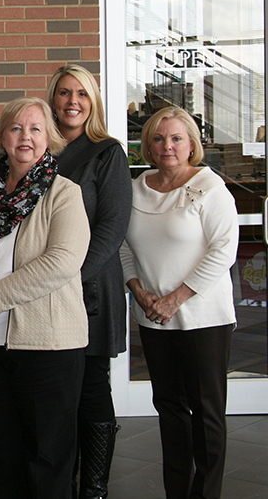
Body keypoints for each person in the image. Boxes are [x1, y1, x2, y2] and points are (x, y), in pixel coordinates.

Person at [0, 97, 90, 499]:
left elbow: (62, 262)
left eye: (35, 129)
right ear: (1, 138)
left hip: (46, 348)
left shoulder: (64, 194)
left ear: (50, 139)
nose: (24, 137)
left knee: (48, 461)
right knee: (1, 457)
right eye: (15, 128)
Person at [121, 106, 238, 499]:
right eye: (157, 138)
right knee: (170, 411)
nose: (166, 146)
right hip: (153, 317)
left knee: (206, 414)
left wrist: (176, 298)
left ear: (192, 145)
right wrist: (138, 291)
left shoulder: (210, 187)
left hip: (204, 318)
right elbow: (123, 247)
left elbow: (224, 250)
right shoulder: (135, 190)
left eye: (176, 138)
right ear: (148, 146)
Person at [45, 65, 131, 498]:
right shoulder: (40, 148)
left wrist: (69, 277)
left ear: (92, 100)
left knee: (92, 387)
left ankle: (94, 487)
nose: (72, 101)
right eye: (64, 93)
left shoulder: (107, 152)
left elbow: (113, 228)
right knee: (58, 390)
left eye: (81, 93)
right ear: (53, 99)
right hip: (44, 292)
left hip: (90, 288)